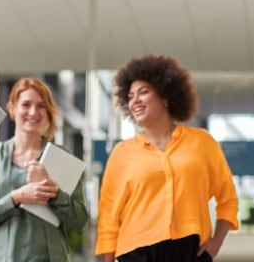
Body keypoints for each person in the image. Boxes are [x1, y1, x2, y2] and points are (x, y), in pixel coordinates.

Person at [95, 55, 239, 262]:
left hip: (190, 250)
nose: (135, 100)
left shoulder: (202, 143)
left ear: (165, 97)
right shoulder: (122, 153)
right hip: (137, 253)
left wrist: (216, 242)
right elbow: (109, 217)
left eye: (143, 92)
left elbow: (228, 198)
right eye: (130, 96)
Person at [0, 78, 89, 261]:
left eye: (41, 106)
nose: (33, 112)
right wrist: (16, 198)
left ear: (48, 112)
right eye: (26, 104)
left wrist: (54, 193)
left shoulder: (62, 159)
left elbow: (80, 220)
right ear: (12, 107)